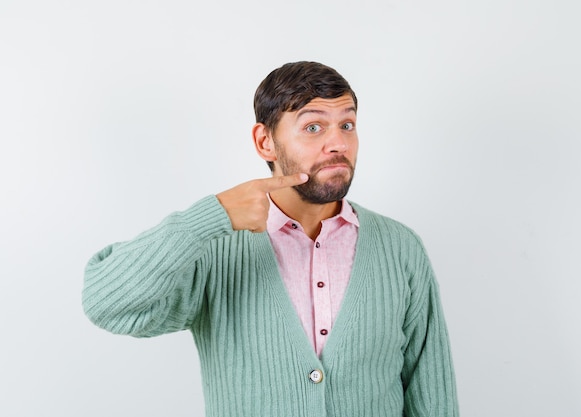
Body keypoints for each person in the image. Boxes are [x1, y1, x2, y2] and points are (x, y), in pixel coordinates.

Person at [82, 61, 459, 417]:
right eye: (313, 127)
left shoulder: (400, 247)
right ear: (265, 142)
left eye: (347, 125)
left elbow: (432, 392)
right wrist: (209, 217)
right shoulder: (216, 249)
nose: (338, 144)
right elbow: (106, 302)